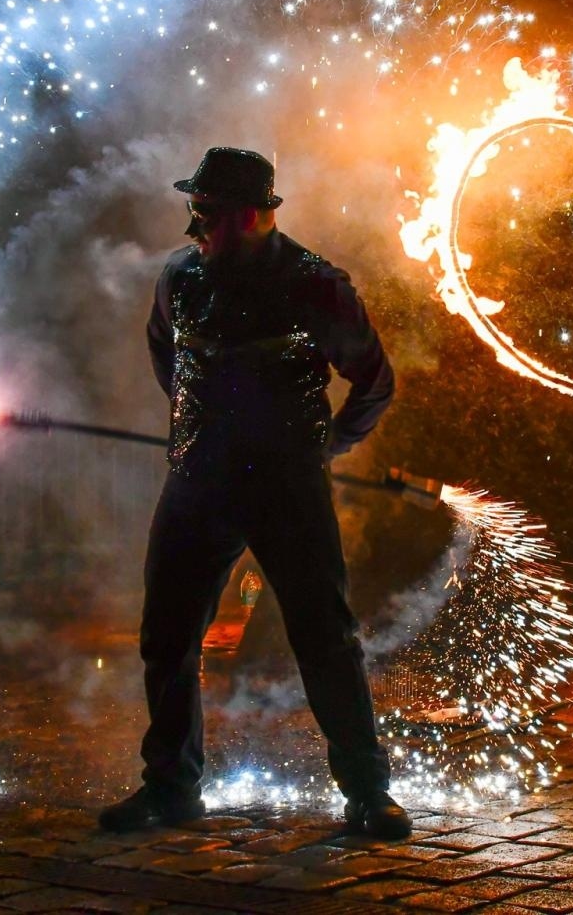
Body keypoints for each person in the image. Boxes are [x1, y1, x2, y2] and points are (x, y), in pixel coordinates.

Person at [99, 146, 410, 839]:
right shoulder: (179, 280)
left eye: (205, 213)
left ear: (249, 216)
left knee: (325, 638)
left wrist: (325, 446)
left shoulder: (316, 285)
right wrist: (198, 425)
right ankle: (171, 788)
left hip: (285, 490)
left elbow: (374, 380)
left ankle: (367, 792)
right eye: (193, 209)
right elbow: (167, 356)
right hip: (197, 481)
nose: (193, 227)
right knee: (167, 636)